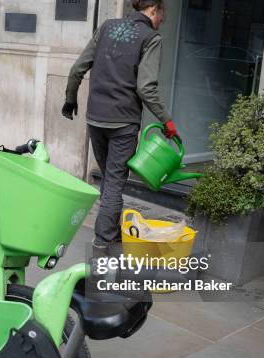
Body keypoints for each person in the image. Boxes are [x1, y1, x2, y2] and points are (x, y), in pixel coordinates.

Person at [62, 0, 178, 259]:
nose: (162, 21)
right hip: (123, 122)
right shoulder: (151, 38)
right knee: (114, 182)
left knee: (109, 179)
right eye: (162, 16)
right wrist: (167, 121)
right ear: (153, 9)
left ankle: (111, 235)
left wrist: (70, 100)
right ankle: (102, 247)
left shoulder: (106, 27)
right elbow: (146, 87)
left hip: (96, 118)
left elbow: (76, 69)